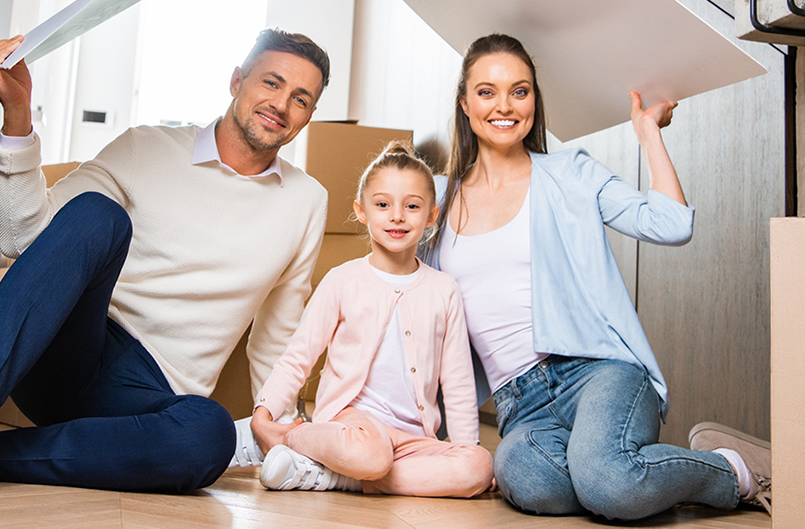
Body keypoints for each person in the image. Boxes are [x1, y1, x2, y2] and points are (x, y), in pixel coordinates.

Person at [0, 28, 332, 514]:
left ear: (309, 114)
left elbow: (279, 331)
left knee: (209, 434)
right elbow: (24, 238)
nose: (281, 104)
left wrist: (277, 421)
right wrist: (17, 116)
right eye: (271, 83)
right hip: (73, 348)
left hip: (148, 395)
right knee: (95, 214)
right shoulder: (145, 147)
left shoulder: (306, 201)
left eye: (301, 98)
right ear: (237, 81)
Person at [422, 33, 772, 520]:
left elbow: (670, 225)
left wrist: (649, 133)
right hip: (517, 403)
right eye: (487, 91)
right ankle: (628, 468)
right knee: (534, 484)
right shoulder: (434, 198)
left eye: (519, 91)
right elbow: (402, 297)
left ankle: (733, 470)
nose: (504, 105)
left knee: (608, 485)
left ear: (534, 102)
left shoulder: (569, 174)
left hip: (597, 372)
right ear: (464, 103)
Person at [249, 142, 494, 498]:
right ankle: (291, 439)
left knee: (478, 466)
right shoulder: (342, 280)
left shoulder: (444, 289)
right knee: (369, 453)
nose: (397, 216)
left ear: (431, 216)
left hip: (415, 437)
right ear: (361, 211)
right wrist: (265, 413)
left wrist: (465, 447)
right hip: (354, 427)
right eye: (382, 205)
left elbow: (457, 381)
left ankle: (339, 478)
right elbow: (299, 356)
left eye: (412, 206)